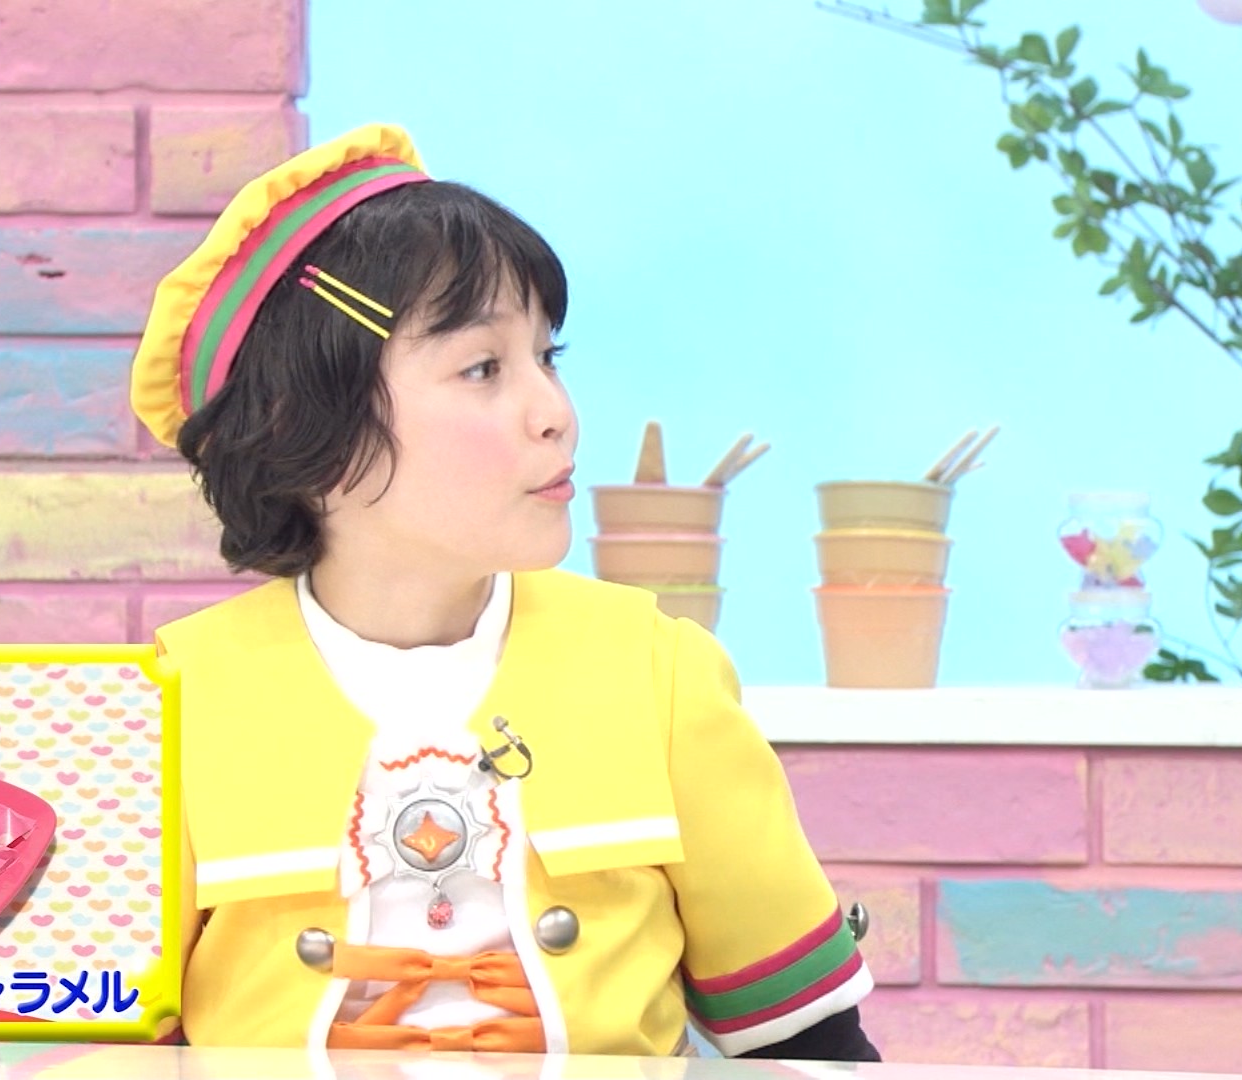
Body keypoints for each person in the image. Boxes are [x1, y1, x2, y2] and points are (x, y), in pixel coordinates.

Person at [131, 123, 879, 1060]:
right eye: (483, 367)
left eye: (548, 358)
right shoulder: (170, 707)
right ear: (299, 427)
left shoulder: (658, 674)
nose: (556, 413)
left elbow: (807, 1045)